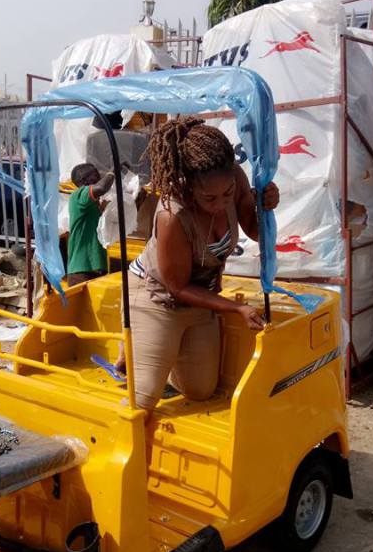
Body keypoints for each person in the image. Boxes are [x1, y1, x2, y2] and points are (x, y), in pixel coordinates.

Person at [121, 116, 280, 411]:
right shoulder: (172, 215)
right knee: (141, 401)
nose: (221, 203)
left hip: (200, 299)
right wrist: (236, 308)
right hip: (157, 297)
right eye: (209, 198)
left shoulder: (232, 176)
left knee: (201, 391)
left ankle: (157, 353)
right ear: (188, 186)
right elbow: (177, 285)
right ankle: (141, 346)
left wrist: (265, 204)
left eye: (228, 194)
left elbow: (256, 231)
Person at [66, 163, 114, 286]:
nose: (99, 177)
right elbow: (101, 187)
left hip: (96, 270)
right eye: (96, 175)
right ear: (84, 180)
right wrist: (112, 172)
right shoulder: (78, 195)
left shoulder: (93, 205)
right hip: (81, 271)